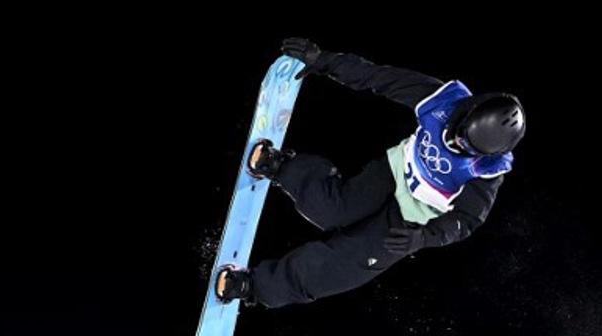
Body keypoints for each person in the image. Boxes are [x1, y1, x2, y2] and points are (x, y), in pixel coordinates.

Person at [216, 37, 525, 308]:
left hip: (410, 219)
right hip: (392, 172)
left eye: (467, 147)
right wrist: (323, 60)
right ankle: (280, 165)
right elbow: (382, 78)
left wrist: (424, 238)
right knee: (330, 209)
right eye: (460, 134)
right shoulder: (441, 100)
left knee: (339, 267)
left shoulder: (487, 173)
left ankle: (252, 286)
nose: (457, 143)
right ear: (468, 113)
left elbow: (467, 220)